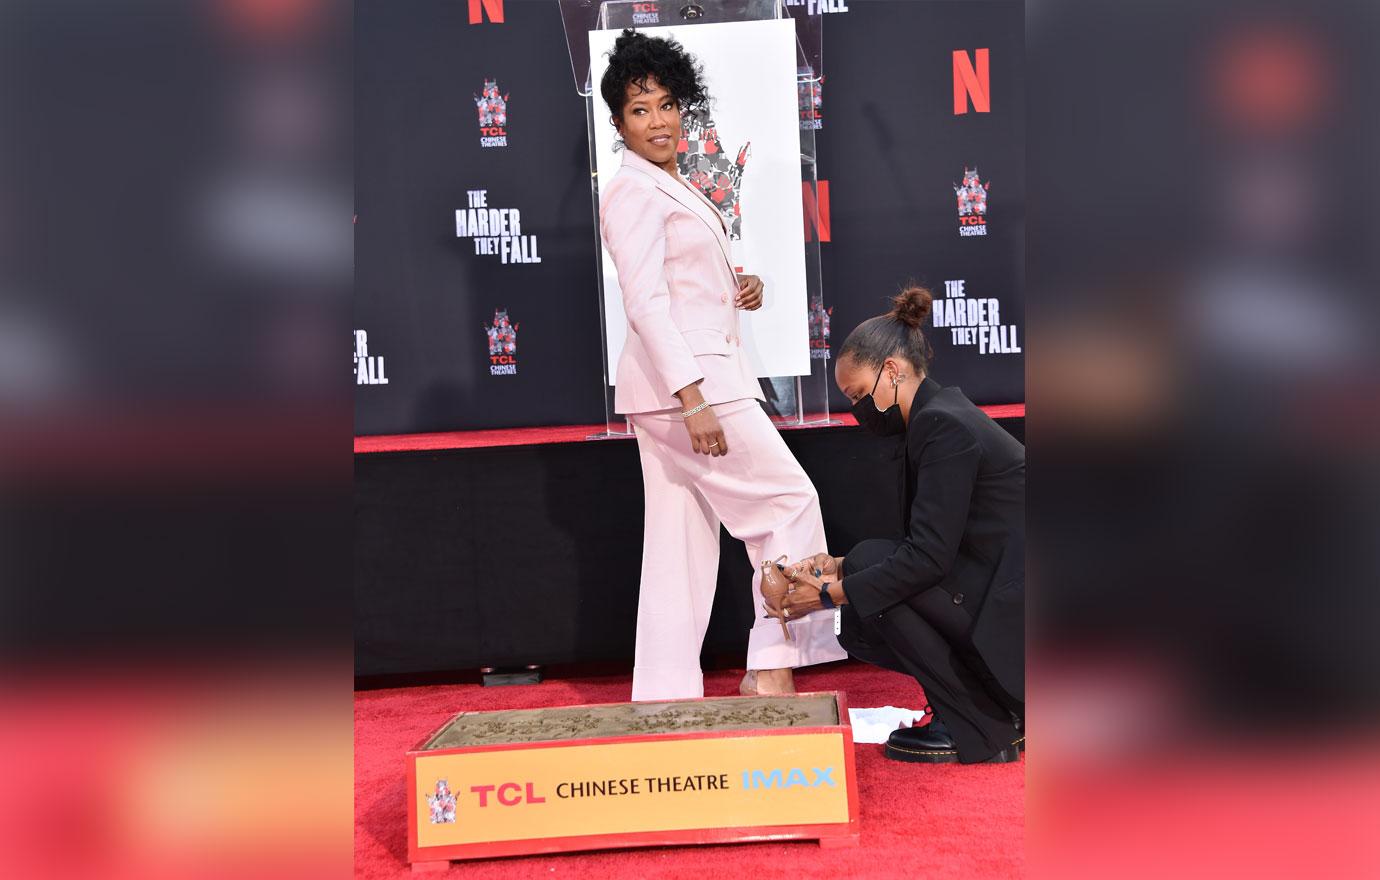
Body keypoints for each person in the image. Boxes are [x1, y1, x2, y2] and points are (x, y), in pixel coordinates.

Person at [597, 29, 845, 701]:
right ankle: (772, 663)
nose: (658, 120)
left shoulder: (671, 185)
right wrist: (694, 397)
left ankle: (663, 694)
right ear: (618, 123)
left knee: (679, 548)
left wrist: (739, 285)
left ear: (685, 108)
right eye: (640, 109)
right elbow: (645, 304)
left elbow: (679, 286)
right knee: (789, 503)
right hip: (692, 387)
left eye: (667, 104)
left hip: (674, 384)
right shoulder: (632, 191)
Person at [775, 286, 1025, 763]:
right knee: (865, 572)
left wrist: (827, 593)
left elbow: (927, 558)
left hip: (1018, 624)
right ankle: (991, 710)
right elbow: (936, 544)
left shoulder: (941, 426)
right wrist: (837, 564)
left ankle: (982, 725)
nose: (857, 410)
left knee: (872, 573)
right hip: (1004, 600)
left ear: (891, 370)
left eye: (858, 395)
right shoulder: (939, 415)